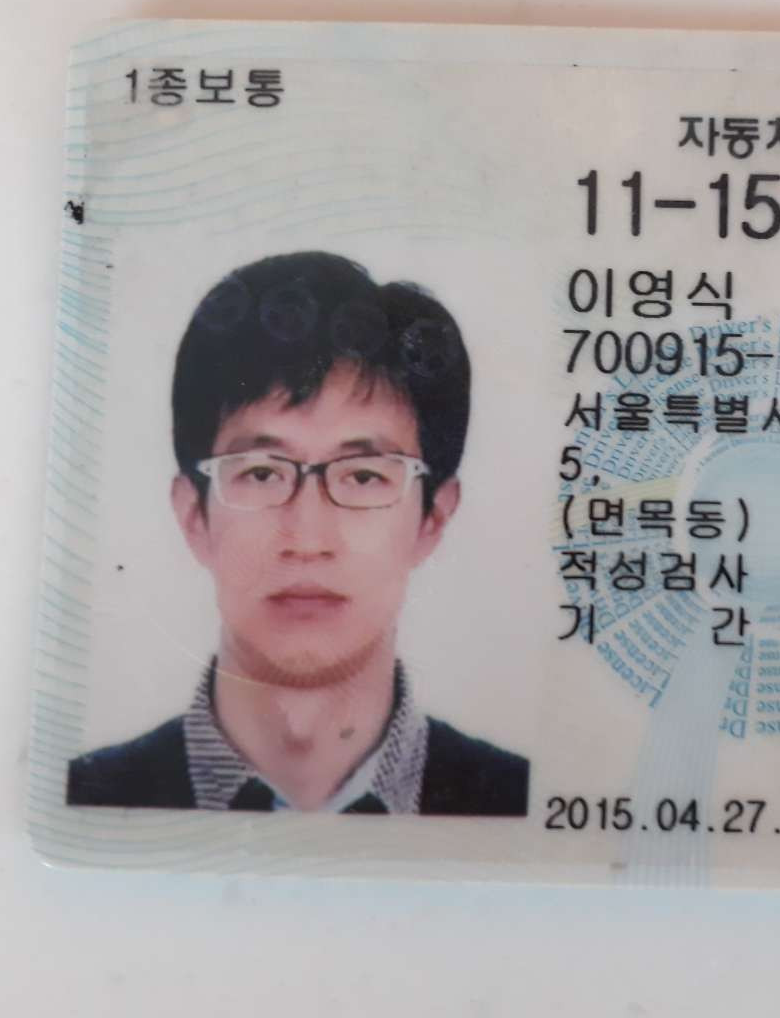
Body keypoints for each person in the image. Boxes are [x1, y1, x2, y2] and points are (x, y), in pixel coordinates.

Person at [68, 252, 528, 815]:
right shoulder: (89, 801)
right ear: (193, 516)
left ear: (432, 519)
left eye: (364, 476)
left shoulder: (514, 806)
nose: (307, 539)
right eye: (262, 473)